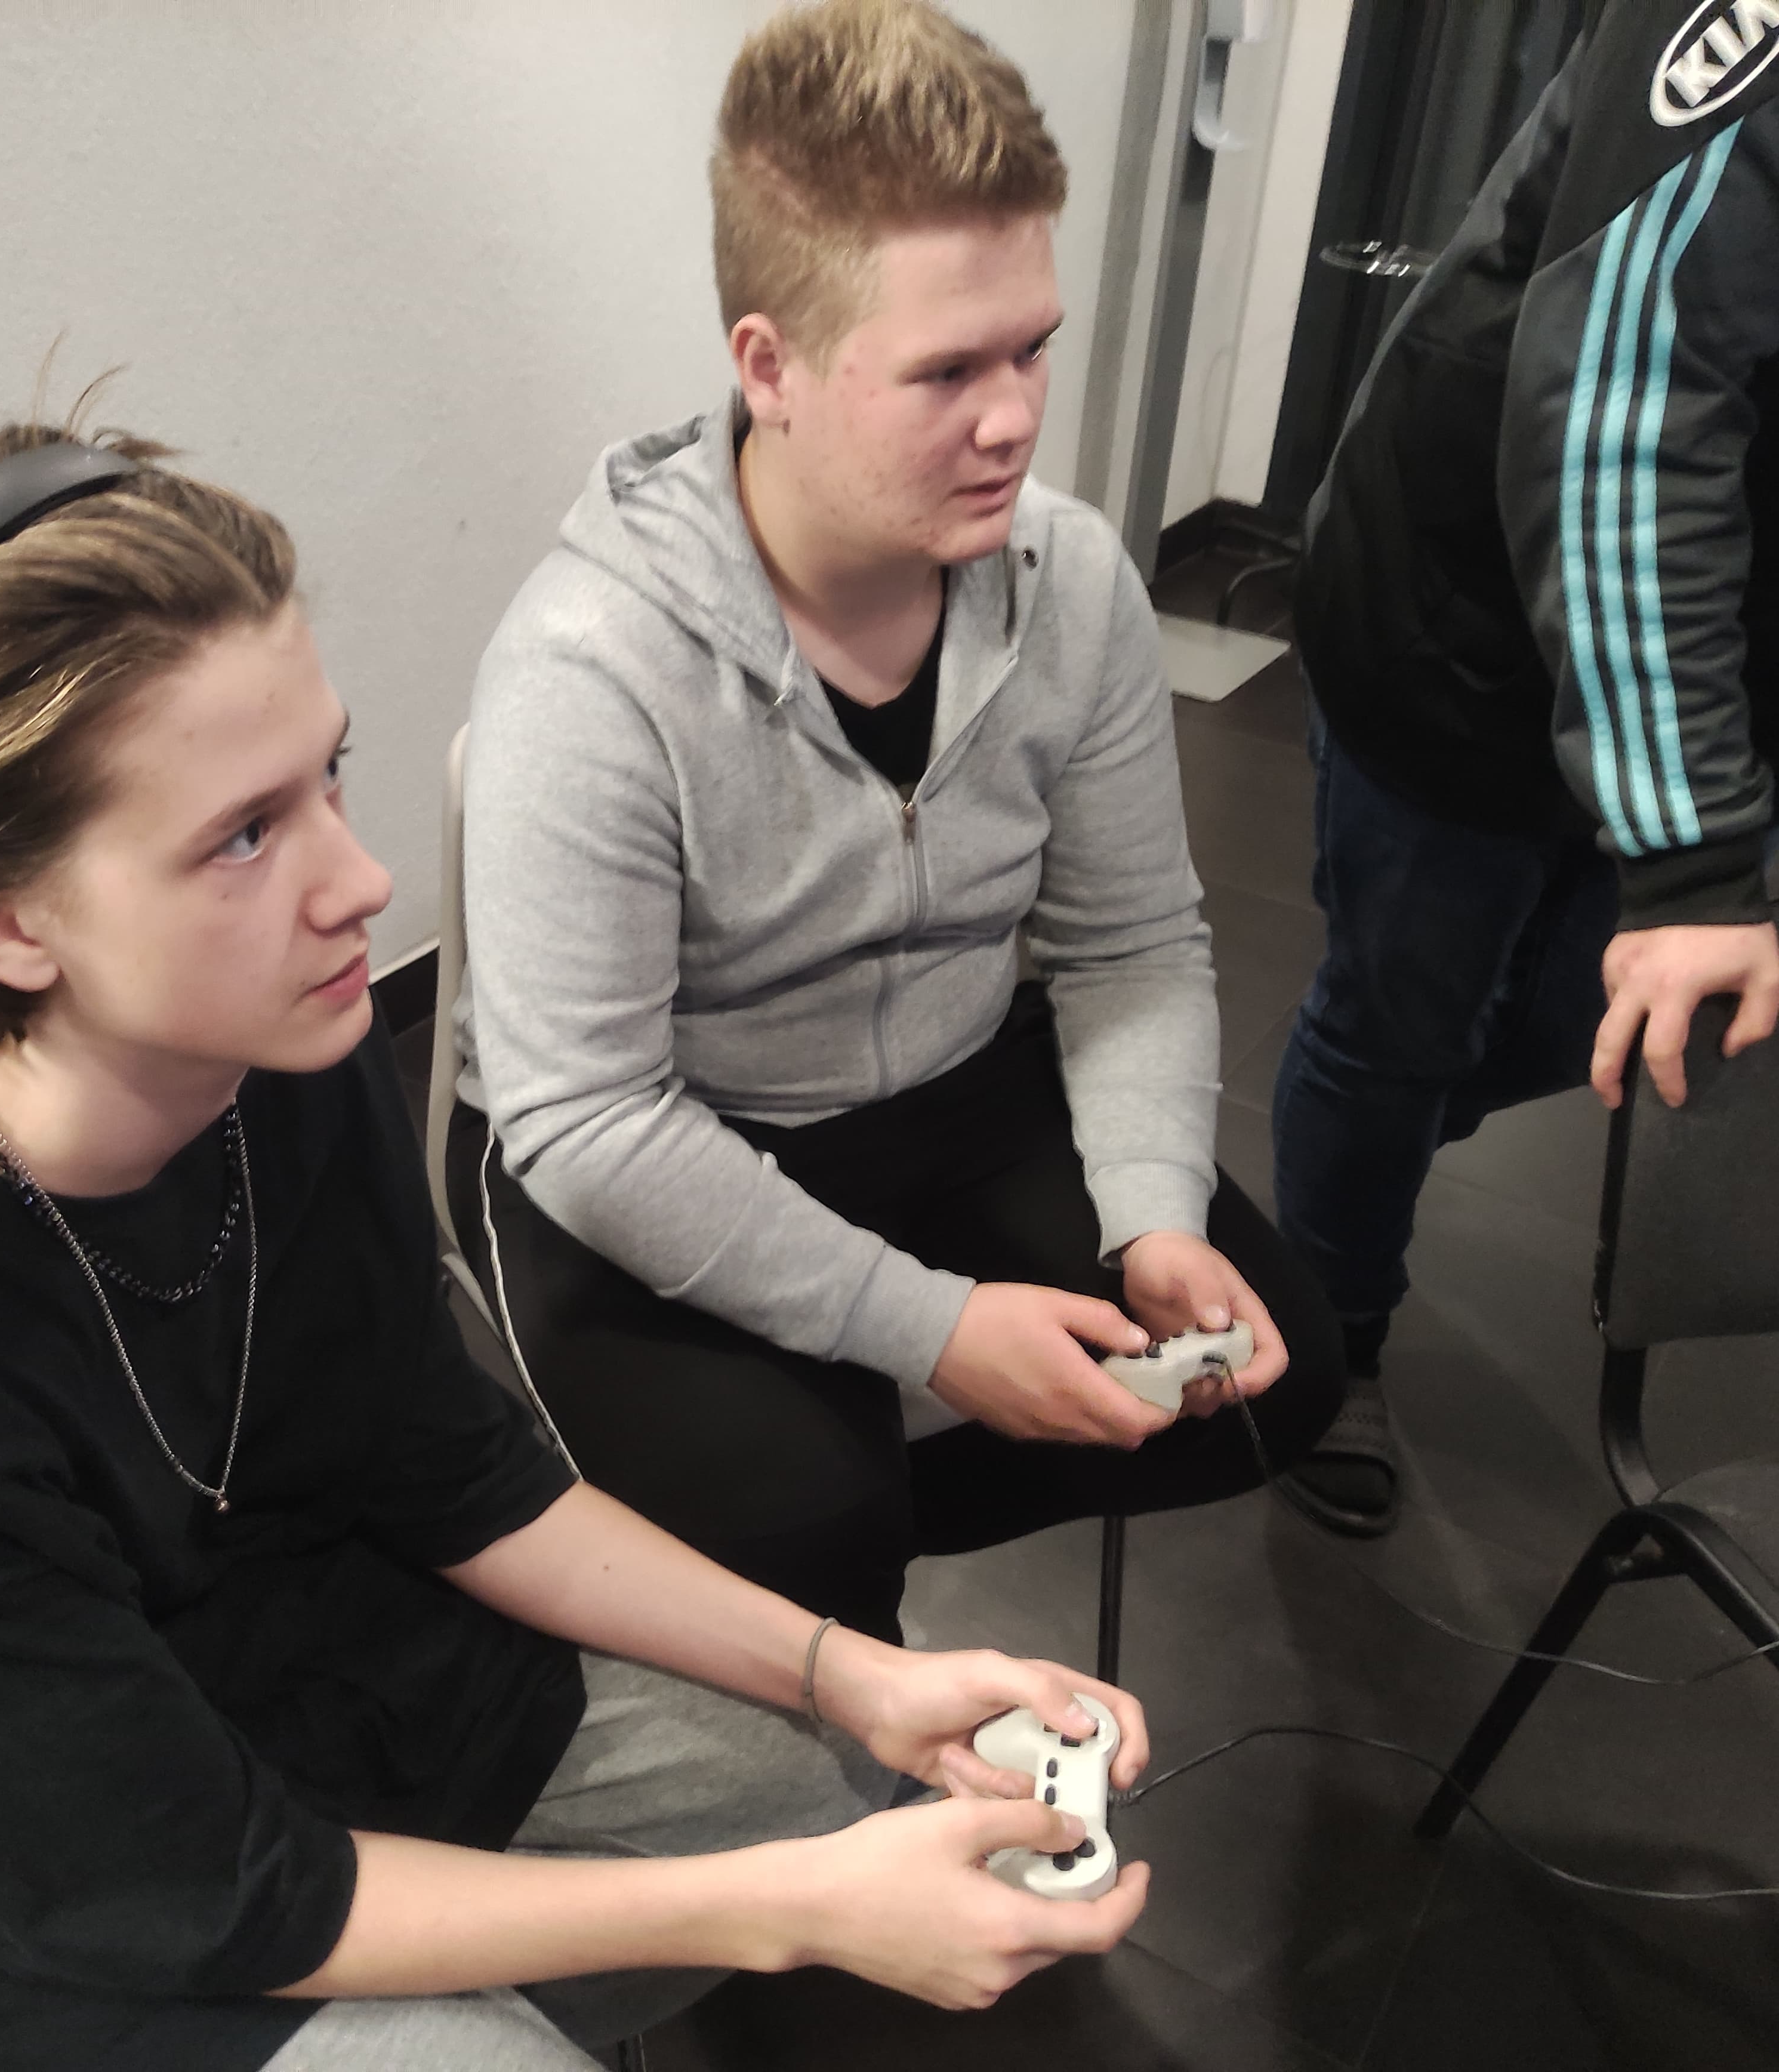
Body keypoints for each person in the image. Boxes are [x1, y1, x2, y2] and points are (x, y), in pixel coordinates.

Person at [0, 421, 1157, 2072]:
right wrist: (784, 1910)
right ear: (2, 918)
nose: (364, 882)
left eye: (325, 777)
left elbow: (445, 1465)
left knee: (843, 1776)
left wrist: (852, 1677)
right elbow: (200, 1887)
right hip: (19, 1872)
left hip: (287, 1649)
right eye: (243, 836)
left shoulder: (273, 1053)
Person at [451, 0, 1346, 1646]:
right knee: (804, 1520)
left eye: (1031, 349)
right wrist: (931, 1332)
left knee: (1273, 1382)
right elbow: (587, 1119)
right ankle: (786, 1570)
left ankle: (814, 1558)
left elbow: (1131, 941)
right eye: (946, 370)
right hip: (668, 1128)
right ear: (769, 367)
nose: (1013, 419)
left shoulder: (1071, 581)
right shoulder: (589, 670)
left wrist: (1151, 1210)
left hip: (946, 1073)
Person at [1274, 0, 1779, 1536]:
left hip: (1718, 651)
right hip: (1463, 625)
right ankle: (1325, 1330)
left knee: (1559, 1024)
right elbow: (1621, 412)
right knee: (1394, 1024)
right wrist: (1694, 859)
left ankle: (1355, 1147)